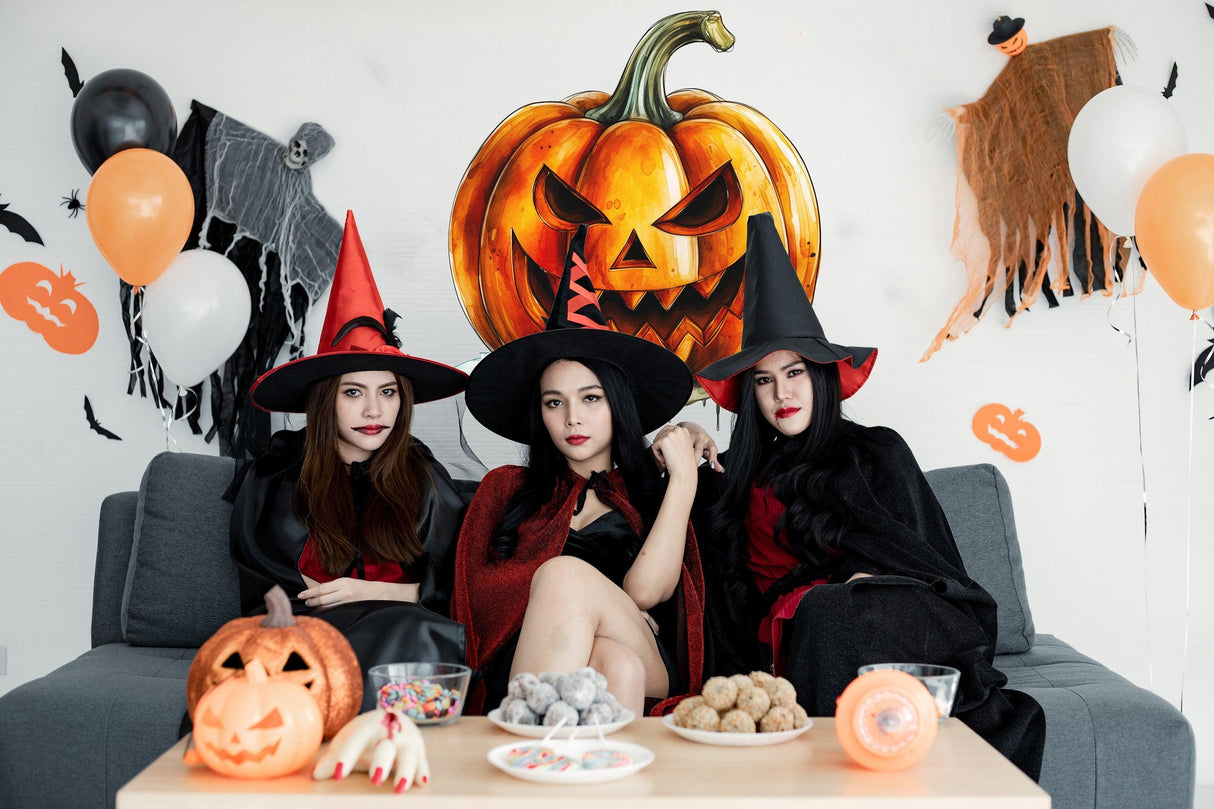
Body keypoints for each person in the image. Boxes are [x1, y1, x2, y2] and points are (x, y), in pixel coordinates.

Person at [686, 212, 1045, 778]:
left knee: (833, 607)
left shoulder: (874, 451)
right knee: (824, 612)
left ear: (823, 376)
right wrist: (680, 443)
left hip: (893, 617)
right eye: (763, 379)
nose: (782, 392)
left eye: (796, 372)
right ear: (749, 394)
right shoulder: (729, 478)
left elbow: (929, 565)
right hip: (794, 637)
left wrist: (865, 580)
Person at [452, 225, 707, 716]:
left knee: (566, 576)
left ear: (618, 403)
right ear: (539, 413)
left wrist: (683, 480)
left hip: (649, 653)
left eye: (591, 398)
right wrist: (586, 618)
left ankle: (522, 747)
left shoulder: (652, 487)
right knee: (615, 664)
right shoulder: (505, 488)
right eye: (555, 402)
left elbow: (646, 592)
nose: (573, 417)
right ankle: (599, 788)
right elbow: (477, 601)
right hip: (540, 656)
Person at [228, 211, 470, 711]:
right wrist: (376, 597)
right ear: (324, 402)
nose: (374, 411)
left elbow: (460, 588)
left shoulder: (421, 477)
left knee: (423, 628)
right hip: (309, 642)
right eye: (353, 393)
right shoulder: (278, 477)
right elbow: (285, 597)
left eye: (387, 392)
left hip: (410, 636)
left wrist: (372, 591)